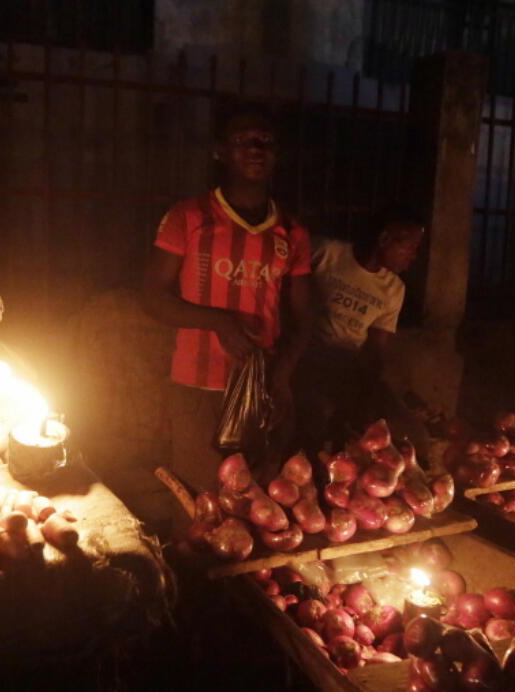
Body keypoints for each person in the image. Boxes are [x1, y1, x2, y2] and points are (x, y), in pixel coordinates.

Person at [142, 104, 313, 492]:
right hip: (197, 386)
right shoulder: (188, 217)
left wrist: (282, 378)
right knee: (198, 501)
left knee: (254, 503)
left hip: (261, 387)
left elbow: (305, 317)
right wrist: (218, 321)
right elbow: (151, 297)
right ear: (220, 151)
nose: (255, 148)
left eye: (264, 141)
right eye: (242, 141)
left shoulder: (292, 231)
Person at [293, 206, 430, 457]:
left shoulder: (393, 289)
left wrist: (373, 387)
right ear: (384, 239)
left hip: (347, 364)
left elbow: (376, 348)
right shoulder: (326, 253)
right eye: (410, 247)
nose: (413, 256)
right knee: (317, 415)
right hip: (306, 355)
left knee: (408, 431)